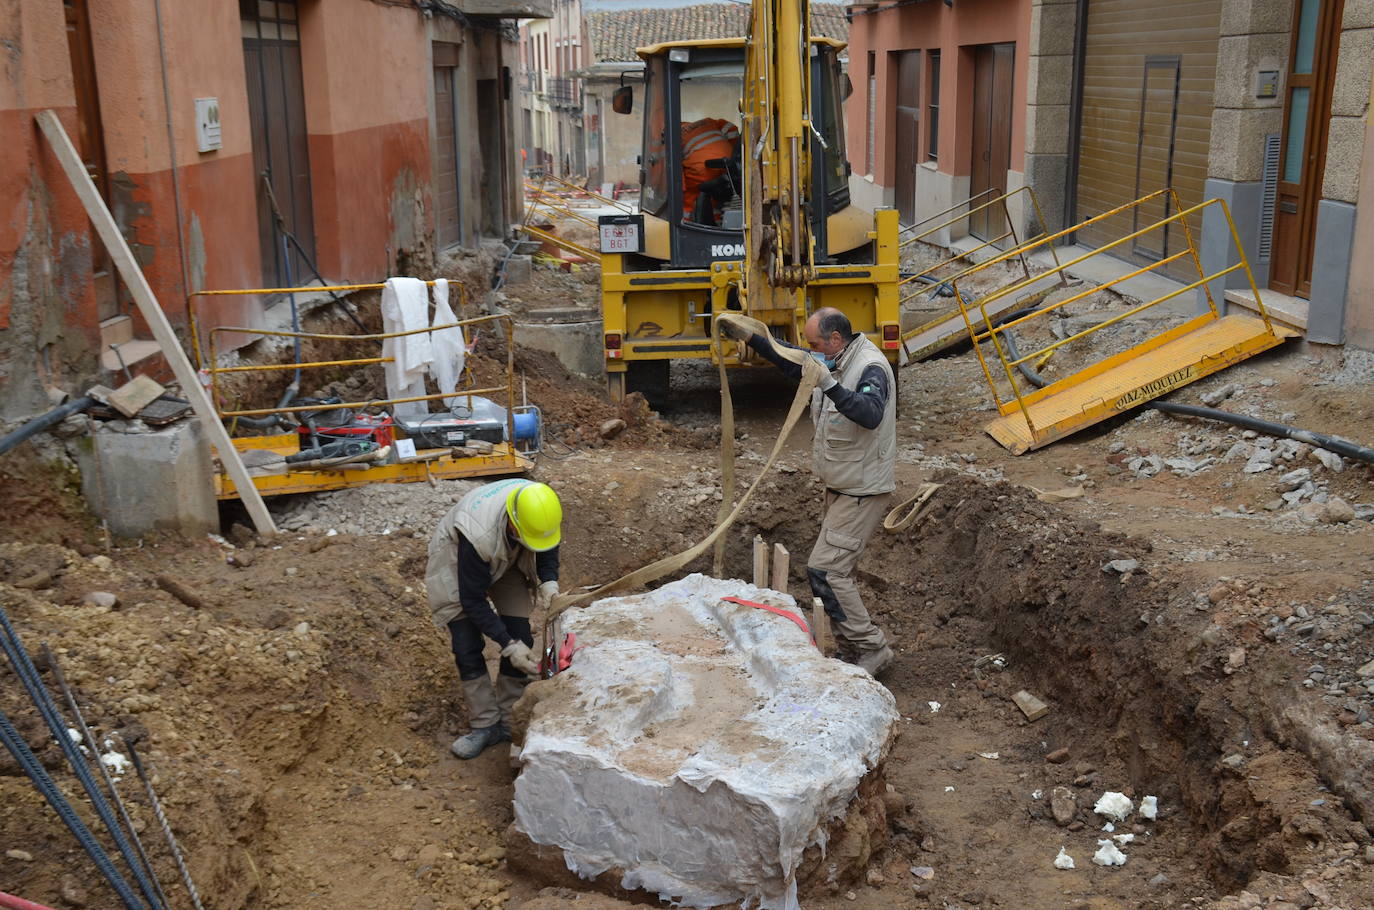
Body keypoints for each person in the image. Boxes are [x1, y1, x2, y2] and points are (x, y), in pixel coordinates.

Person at [721, 308, 896, 677]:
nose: (811, 350)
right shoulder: (834, 357)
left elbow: (870, 413)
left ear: (835, 339)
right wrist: (752, 336)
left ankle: (870, 648)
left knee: (827, 571)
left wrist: (829, 385)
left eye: (816, 342)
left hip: (862, 490)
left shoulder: (870, 367)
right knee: (831, 570)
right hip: (843, 485)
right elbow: (794, 361)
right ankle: (852, 647)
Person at [426, 478, 563, 759]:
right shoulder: (476, 535)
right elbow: (472, 601)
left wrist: (549, 580)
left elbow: (548, 545)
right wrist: (506, 644)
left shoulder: (540, 510)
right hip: (459, 561)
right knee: (467, 646)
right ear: (513, 523)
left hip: (508, 553)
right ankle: (484, 725)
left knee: (521, 632)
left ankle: (509, 719)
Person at [681, 117, 740, 221]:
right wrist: (734, 156)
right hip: (728, 164)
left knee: (690, 195)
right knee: (717, 197)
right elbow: (732, 129)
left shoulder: (672, 136)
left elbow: (676, 175)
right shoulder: (708, 122)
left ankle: (689, 225)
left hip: (703, 170)